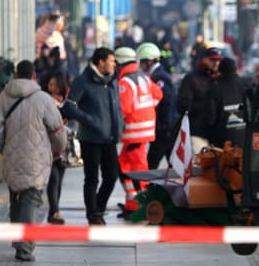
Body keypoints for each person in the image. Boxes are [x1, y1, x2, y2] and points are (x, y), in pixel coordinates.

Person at [0, 60, 67, 261]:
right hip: (37, 159)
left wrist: (5, 148)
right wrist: (57, 150)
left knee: (16, 197)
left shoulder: (3, 98)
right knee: (30, 200)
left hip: (12, 157)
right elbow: (58, 130)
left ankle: (18, 239)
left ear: (16, 74)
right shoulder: (43, 99)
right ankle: (25, 247)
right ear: (33, 76)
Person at [61, 47, 123, 225]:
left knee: (112, 176)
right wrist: (90, 120)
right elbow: (69, 106)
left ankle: (99, 207)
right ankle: (93, 215)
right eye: (111, 61)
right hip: (90, 138)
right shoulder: (83, 80)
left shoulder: (112, 81)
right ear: (101, 62)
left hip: (110, 137)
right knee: (92, 178)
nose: (114, 64)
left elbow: (116, 106)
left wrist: (120, 124)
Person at [115, 46, 163, 216]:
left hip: (133, 131)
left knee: (137, 169)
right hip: (144, 130)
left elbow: (124, 109)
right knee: (124, 165)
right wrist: (147, 112)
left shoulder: (125, 83)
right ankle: (133, 203)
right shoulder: (143, 78)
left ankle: (143, 204)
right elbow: (158, 95)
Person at [140, 42, 179, 169]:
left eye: (142, 62)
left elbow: (167, 102)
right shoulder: (156, 75)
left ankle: (148, 188)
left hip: (164, 129)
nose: (140, 65)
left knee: (151, 165)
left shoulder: (160, 77)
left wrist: (165, 127)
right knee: (174, 165)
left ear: (149, 61)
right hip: (165, 128)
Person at [177, 46, 222, 154]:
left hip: (217, 134)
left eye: (218, 60)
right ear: (204, 59)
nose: (216, 63)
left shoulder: (220, 79)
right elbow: (182, 105)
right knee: (200, 167)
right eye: (212, 60)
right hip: (197, 133)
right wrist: (205, 106)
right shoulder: (191, 78)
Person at [43, 70, 71, 223]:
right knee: (53, 178)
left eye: (54, 84)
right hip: (51, 145)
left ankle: (55, 209)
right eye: (50, 84)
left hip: (64, 147)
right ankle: (54, 211)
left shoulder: (67, 101)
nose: (51, 87)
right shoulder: (47, 101)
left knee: (59, 179)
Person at [208, 56, 249, 148]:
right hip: (244, 139)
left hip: (222, 141)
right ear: (235, 69)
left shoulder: (215, 87)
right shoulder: (245, 85)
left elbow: (211, 118)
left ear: (220, 71)